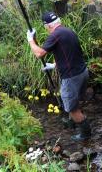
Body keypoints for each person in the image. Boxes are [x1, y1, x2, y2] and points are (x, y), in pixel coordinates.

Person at [26, 12, 91, 141]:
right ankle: (73, 121)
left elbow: (39, 54)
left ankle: (85, 134)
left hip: (71, 77)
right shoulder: (68, 31)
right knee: (74, 101)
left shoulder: (55, 35)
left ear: (48, 26)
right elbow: (70, 55)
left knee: (71, 108)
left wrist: (30, 40)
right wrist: (53, 65)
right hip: (82, 73)